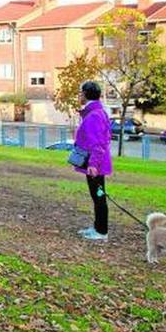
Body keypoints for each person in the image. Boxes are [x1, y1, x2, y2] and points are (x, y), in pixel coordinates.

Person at [73, 81, 112, 241]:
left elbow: (97, 143)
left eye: (80, 93)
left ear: (85, 94)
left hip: (95, 164)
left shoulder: (94, 115)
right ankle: (98, 227)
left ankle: (101, 230)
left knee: (99, 196)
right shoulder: (96, 112)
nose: (79, 96)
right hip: (96, 162)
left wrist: (93, 165)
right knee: (97, 195)